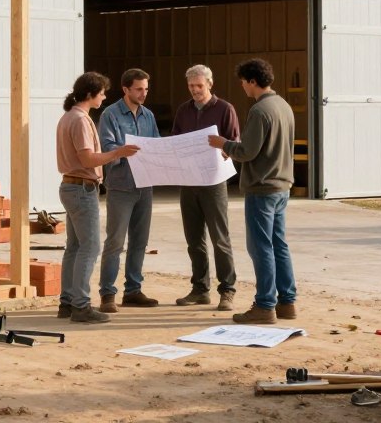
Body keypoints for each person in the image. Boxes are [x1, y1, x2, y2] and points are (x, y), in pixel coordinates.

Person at [207, 58, 297, 325]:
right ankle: (287, 301)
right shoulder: (283, 106)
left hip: (262, 187)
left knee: (261, 248)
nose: (243, 87)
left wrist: (224, 143)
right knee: (279, 244)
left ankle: (265, 305)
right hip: (282, 185)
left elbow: (248, 151)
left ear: (252, 81)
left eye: (243, 82)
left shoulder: (260, 111)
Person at [57, 71, 139, 324]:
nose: (104, 97)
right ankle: (81, 305)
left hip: (71, 187)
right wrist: (119, 152)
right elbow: (88, 158)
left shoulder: (68, 117)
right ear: (91, 93)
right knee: (90, 247)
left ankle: (68, 302)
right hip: (82, 189)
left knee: (74, 247)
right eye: (102, 92)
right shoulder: (81, 120)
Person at [171, 64, 241, 310]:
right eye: (191, 86)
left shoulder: (225, 109)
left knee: (219, 238)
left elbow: (235, 142)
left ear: (210, 84)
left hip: (213, 182)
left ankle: (227, 290)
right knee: (194, 240)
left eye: (199, 86)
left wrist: (225, 150)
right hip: (189, 183)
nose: (195, 90)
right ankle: (200, 289)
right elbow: (176, 141)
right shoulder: (183, 110)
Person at [96, 69, 161, 312]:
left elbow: (155, 144)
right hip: (121, 186)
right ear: (125, 89)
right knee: (115, 241)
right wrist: (126, 150)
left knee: (140, 241)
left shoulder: (148, 116)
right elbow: (107, 146)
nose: (143, 93)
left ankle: (133, 290)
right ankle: (107, 294)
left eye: (146, 89)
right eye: (138, 89)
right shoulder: (110, 114)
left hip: (146, 185)